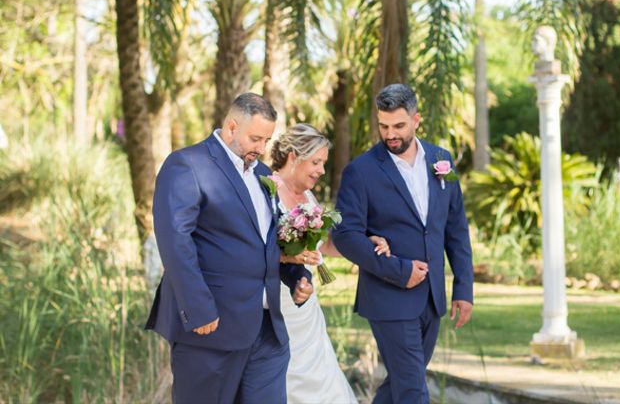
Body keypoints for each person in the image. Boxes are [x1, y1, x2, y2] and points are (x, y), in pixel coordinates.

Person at [145, 93, 314, 404]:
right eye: (255, 138)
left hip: (267, 331)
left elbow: (271, 239)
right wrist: (198, 308)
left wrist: (297, 275)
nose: (261, 148)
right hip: (211, 327)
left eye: (266, 140)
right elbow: (175, 239)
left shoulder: (264, 175)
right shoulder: (188, 164)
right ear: (232, 126)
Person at [333, 84, 474, 403]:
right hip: (388, 297)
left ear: (416, 120)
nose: (390, 134)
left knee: (400, 385)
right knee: (413, 390)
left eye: (398, 126)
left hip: (432, 298)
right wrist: (399, 270)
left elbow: (456, 229)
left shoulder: (442, 161)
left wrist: (463, 289)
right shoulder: (361, 171)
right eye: (383, 126)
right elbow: (345, 235)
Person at [270, 123, 390, 404]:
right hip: (278, 302)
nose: (322, 170)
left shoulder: (309, 197)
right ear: (293, 157)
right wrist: (291, 256)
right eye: (316, 162)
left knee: (326, 383)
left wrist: (364, 244)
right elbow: (259, 249)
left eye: (323, 162)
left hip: (308, 309)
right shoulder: (268, 191)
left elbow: (325, 244)